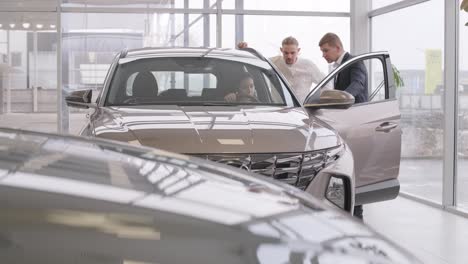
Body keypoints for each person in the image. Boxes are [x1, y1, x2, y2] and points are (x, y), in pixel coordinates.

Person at [238, 36, 328, 102]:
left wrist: (318, 100)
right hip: (280, 108)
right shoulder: (273, 62)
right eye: (286, 53)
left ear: (298, 50)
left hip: (303, 109)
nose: (289, 56)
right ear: (281, 50)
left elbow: (326, 83)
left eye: (292, 53)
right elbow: (255, 60)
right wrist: (244, 50)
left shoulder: (308, 65)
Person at [319, 32, 368, 104]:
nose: (323, 55)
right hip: (345, 112)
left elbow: (357, 84)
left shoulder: (355, 61)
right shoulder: (339, 65)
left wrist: (341, 99)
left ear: (338, 48)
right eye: (322, 51)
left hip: (356, 112)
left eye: (326, 50)